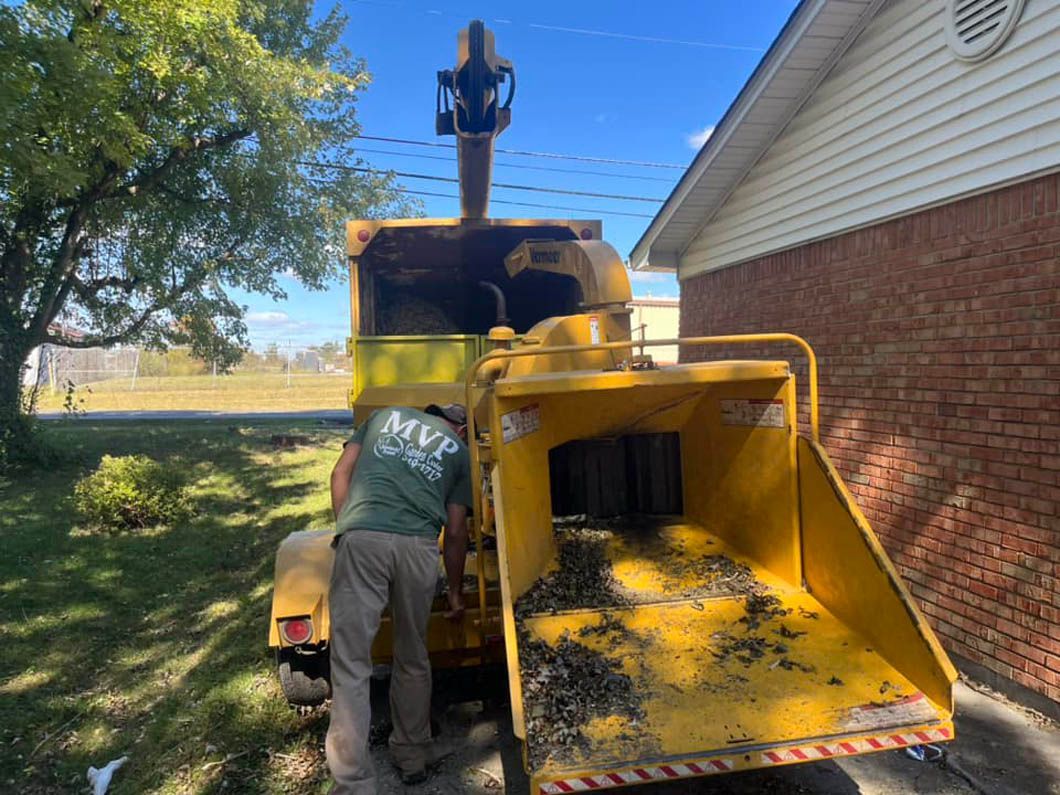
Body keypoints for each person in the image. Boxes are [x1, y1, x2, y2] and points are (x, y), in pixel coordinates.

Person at [326, 403, 472, 793]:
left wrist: (346, 531)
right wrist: (456, 592)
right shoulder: (459, 452)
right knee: (412, 655)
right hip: (419, 548)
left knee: (351, 664)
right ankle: (412, 755)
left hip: (362, 537)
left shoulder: (382, 418)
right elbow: (456, 532)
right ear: (459, 429)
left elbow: (340, 472)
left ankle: (354, 783)